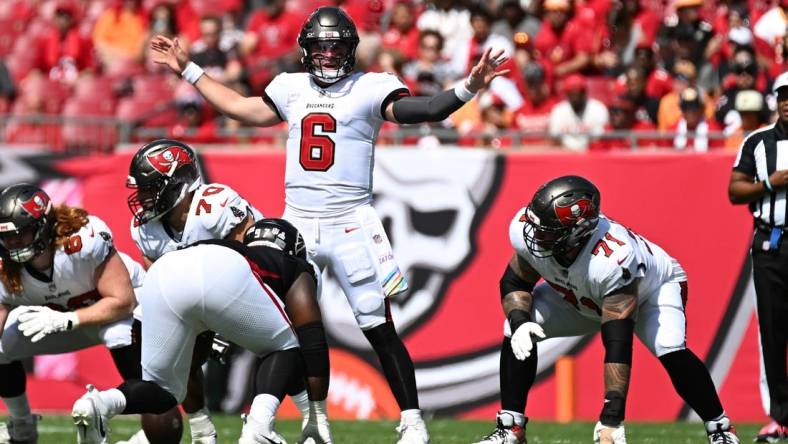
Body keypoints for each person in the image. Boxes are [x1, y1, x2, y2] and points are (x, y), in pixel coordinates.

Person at [149, 6, 508, 443]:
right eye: (320, 47)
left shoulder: (370, 88)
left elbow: (424, 109)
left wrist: (468, 87)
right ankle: (305, 422)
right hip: (296, 223)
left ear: (351, 50)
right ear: (305, 51)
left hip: (350, 223)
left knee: (377, 326)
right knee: (287, 328)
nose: (327, 56)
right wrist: (186, 68)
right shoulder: (291, 87)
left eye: (336, 47)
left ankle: (413, 422)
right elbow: (242, 108)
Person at [473, 175, 740, 444]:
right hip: (583, 298)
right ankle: (511, 428)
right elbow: (515, 280)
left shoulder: (612, 258)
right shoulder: (529, 229)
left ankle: (720, 428)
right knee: (515, 329)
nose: (536, 235)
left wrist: (612, 417)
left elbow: (618, 343)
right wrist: (520, 322)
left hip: (652, 291)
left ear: (577, 231)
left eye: (548, 231)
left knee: (669, 347)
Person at [71, 218, 332, 444]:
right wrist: (317, 416)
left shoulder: (232, 251)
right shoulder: (292, 265)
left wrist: (202, 427)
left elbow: (192, 365)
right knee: (287, 346)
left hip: (164, 270)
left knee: (165, 391)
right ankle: (259, 428)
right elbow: (312, 340)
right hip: (223, 272)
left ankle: (100, 403)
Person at [126, 139, 302, 444]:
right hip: (193, 296)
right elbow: (157, 281)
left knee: (286, 346)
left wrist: (222, 325)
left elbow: (251, 256)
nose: (142, 198)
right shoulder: (144, 229)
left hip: (253, 285)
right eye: (140, 189)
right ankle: (200, 426)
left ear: (177, 185)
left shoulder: (215, 203)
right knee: (147, 324)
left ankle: (292, 419)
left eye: (149, 188)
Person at [0, 184, 181, 444]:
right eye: (7, 237)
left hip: (128, 308)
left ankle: (146, 427)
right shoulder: (5, 266)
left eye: (21, 234)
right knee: (3, 345)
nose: (13, 244)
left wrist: (67, 320)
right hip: (65, 320)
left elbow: (123, 301)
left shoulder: (81, 242)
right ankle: (22, 426)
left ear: (43, 226)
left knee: (117, 331)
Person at [729, 72, 788, 443]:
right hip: (772, 243)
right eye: (784, 96)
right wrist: (768, 184)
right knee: (772, 330)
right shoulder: (758, 142)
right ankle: (779, 417)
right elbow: (734, 190)